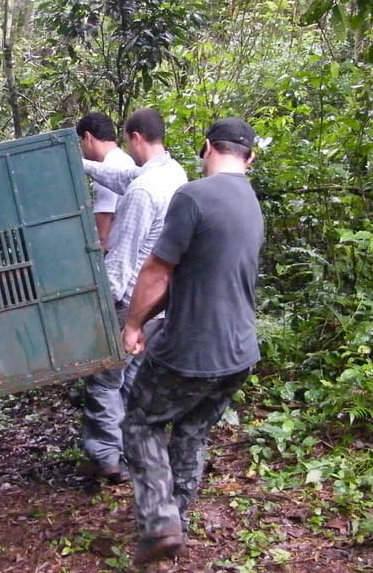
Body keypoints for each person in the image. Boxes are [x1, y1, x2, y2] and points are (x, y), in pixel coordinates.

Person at [120, 117, 264, 566]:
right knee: (190, 431)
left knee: (140, 424)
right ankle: (175, 523)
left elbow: (158, 271)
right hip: (239, 353)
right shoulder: (252, 201)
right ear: (250, 157)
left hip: (192, 350)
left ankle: (161, 523)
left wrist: (133, 324)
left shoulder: (194, 196)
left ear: (206, 148)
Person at [80, 108, 187, 483]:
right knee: (131, 381)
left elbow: (122, 257)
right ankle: (131, 448)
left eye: (127, 139)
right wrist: (79, 163)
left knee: (104, 378)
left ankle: (108, 456)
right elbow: (124, 175)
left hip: (132, 300)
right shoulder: (173, 174)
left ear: (136, 137)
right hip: (161, 302)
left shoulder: (142, 193)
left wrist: (101, 306)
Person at [75, 111, 136, 252]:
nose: (81, 148)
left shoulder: (107, 171)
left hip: (115, 251)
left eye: (80, 142)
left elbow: (101, 235)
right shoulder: (125, 159)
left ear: (88, 137)